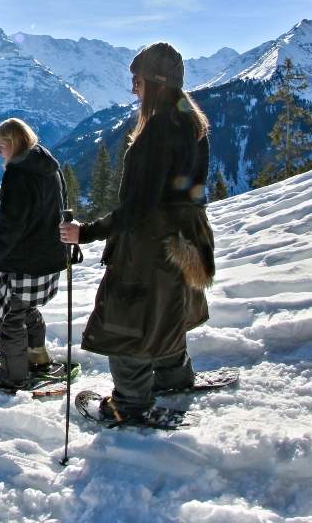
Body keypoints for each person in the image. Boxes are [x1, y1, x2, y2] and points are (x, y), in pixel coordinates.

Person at [59, 42, 214, 424]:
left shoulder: (158, 129)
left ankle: (129, 403)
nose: (133, 89)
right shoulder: (191, 120)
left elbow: (137, 208)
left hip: (150, 243)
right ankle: (175, 379)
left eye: (138, 80)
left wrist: (87, 232)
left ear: (155, 83)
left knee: (129, 321)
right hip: (185, 238)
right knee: (167, 310)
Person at [0, 118, 67, 392]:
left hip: (26, 261)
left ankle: (12, 375)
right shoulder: (48, 165)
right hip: (51, 257)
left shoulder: (18, 174)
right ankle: (36, 356)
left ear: (12, 143)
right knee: (27, 309)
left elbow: (12, 227)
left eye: (1, 145)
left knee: (12, 318)